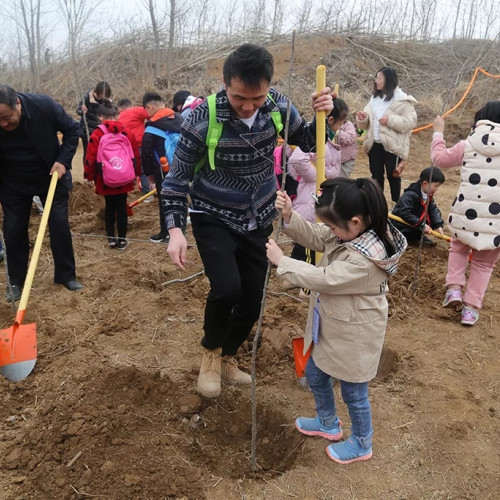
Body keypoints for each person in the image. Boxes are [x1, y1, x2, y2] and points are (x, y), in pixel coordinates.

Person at [162, 43, 334, 398]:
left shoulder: (279, 107)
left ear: (268, 87)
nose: (248, 106)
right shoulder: (202, 116)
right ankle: (210, 355)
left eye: (256, 98)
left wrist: (324, 116)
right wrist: (175, 229)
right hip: (213, 213)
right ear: (225, 83)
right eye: (240, 97)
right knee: (227, 288)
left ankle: (229, 356)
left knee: (254, 297)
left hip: (259, 215)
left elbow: (311, 141)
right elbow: (177, 178)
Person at [266, 178, 407, 464]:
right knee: (316, 375)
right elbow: (320, 237)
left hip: (355, 335)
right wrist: (290, 217)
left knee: (354, 392)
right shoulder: (352, 233)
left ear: (355, 222)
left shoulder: (365, 261)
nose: (330, 231)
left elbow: (326, 279)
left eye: (332, 226)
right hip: (333, 325)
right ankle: (327, 422)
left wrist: (283, 262)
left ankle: (361, 442)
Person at [0, 84, 83, 301]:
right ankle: (16, 282)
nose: (3, 124)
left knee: (59, 224)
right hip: (12, 181)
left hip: (50, 175)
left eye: (7, 117)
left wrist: (63, 161)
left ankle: (66, 275)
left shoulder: (43, 106)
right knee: (13, 229)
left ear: (17, 103)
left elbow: (73, 130)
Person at [431, 102, 500, 326]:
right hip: (495, 221)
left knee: (458, 249)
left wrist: (438, 132)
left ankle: (453, 289)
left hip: (465, 215)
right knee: (483, 265)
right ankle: (470, 310)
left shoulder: (468, 144)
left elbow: (438, 160)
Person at [84, 100, 141, 250]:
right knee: (122, 207)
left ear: (100, 116)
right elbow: (135, 155)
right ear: (116, 115)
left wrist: (89, 176)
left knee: (109, 206)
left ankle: (111, 238)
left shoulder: (97, 133)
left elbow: (90, 157)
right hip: (125, 176)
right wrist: (136, 174)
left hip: (105, 178)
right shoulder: (126, 131)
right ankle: (122, 240)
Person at [356, 67, 417, 203]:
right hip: (374, 143)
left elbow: (410, 122)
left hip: (393, 145)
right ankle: (379, 203)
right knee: (376, 176)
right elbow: (366, 124)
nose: (376, 81)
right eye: (376, 78)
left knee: (393, 176)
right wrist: (363, 118)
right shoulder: (374, 99)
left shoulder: (402, 100)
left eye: (380, 78)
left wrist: (390, 120)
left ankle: (396, 205)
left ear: (389, 80)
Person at [286, 125, 342, 268]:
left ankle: (294, 277)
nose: (340, 127)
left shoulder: (331, 143)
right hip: (309, 198)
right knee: (308, 241)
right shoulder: (314, 139)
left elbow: (334, 169)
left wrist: (326, 176)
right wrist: (316, 176)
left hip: (317, 196)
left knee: (308, 241)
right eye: (339, 123)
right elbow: (297, 160)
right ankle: (304, 288)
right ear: (330, 120)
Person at [141, 92, 183, 243]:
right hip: (181, 166)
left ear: (149, 107)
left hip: (162, 169)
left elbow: (145, 153)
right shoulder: (179, 118)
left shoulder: (151, 127)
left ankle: (166, 232)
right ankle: (181, 230)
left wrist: (149, 175)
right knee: (180, 197)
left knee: (164, 200)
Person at [391, 166, 445, 246]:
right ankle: (409, 239)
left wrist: (438, 225)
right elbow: (405, 213)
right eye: (435, 186)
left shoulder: (428, 195)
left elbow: (433, 210)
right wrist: (422, 225)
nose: (436, 189)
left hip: (414, 225)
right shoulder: (410, 195)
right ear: (425, 183)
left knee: (430, 217)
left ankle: (417, 237)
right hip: (401, 227)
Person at [117, 100, 152, 199]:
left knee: (125, 169)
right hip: (140, 145)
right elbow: (151, 114)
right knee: (142, 170)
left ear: (120, 108)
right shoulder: (136, 111)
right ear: (130, 105)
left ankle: (124, 193)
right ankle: (147, 194)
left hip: (125, 147)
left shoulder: (118, 117)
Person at [77, 81, 112, 165]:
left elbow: (110, 111)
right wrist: (82, 110)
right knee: (88, 151)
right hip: (86, 130)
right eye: (102, 94)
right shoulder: (87, 97)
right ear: (98, 91)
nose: (103, 96)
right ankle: (87, 171)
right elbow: (78, 110)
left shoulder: (105, 100)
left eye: (105, 95)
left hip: (99, 129)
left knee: (99, 150)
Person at [329, 97, 357, 178]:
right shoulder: (328, 127)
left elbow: (351, 138)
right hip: (334, 161)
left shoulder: (348, 125)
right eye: (339, 124)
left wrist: (338, 133)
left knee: (341, 179)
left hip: (346, 160)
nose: (340, 126)